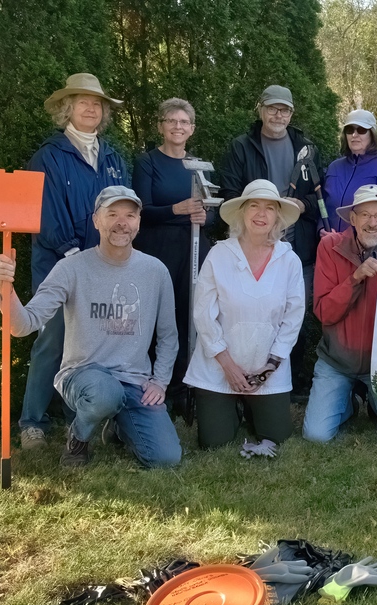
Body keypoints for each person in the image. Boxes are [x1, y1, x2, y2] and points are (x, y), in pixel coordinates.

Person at [0, 187, 181, 468]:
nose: (121, 222)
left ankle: (117, 427)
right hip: (83, 376)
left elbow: (168, 336)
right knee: (105, 393)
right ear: (96, 220)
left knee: (165, 459)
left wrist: (160, 381)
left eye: (130, 215)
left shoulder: (155, 271)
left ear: (139, 222)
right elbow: (22, 325)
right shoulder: (71, 269)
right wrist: (4, 288)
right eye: (112, 214)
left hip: (133, 381)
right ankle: (78, 440)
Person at [18, 73, 130, 451]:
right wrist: (74, 256)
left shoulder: (113, 157)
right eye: (83, 102)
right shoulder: (48, 156)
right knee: (52, 341)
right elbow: (45, 214)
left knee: (93, 345)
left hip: (103, 266)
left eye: (97, 103)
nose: (90, 108)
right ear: (68, 108)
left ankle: (77, 419)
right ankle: (32, 422)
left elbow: (123, 210)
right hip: (58, 264)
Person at [219, 84, 322, 400]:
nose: (279, 114)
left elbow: (319, 194)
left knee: (294, 313)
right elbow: (230, 193)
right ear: (260, 109)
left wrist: (302, 205)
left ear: (291, 114)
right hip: (250, 247)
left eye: (285, 109)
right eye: (273, 108)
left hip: (295, 247)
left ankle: (287, 383)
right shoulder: (242, 147)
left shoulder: (307, 149)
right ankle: (240, 377)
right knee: (248, 312)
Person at [184, 180, 305, 449]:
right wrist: (228, 365)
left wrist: (269, 368)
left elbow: (293, 318)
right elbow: (203, 313)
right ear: (242, 212)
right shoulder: (219, 254)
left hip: (267, 368)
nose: (261, 214)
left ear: (277, 217)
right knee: (215, 442)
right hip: (219, 366)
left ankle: (253, 407)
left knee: (277, 437)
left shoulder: (289, 260)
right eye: (254, 206)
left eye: (269, 208)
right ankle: (234, 408)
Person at [303, 185, 377, 442]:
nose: (372, 222)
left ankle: (375, 402)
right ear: (353, 219)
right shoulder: (329, 247)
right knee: (316, 436)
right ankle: (350, 402)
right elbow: (324, 312)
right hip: (337, 361)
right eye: (365, 215)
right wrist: (355, 278)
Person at [132, 98, 216, 401]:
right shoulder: (147, 163)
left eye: (184, 122)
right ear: (161, 126)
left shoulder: (199, 167)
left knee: (190, 315)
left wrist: (205, 217)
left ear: (192, 129)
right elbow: (141, 210)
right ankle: (156, 383)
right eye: (172, 121)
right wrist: (175, 209)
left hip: (194, 247)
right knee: (159, 316)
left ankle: (185, 386)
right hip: (158, 248)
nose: (177, 127)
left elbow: (213, 211)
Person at [323, 109, 377, 234]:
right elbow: (322, 203)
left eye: (361, 130)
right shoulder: (334, 167)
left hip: (362, 245)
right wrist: (321, 229)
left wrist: (346, 238)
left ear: (372, 134)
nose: (354, 135)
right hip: (328, 242)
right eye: (350, 130)